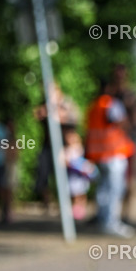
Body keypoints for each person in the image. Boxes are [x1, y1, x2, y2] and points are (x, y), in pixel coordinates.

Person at [84, 79, 135, 238]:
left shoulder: (93, 106)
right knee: (115, 189)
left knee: (103, 188)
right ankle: (112, 223)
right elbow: (121, 123)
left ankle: (102, 219)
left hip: (99, 155)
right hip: (114, 153)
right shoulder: (111, 104)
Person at [33, 81, 81, 213]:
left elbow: (75, 119)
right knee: (43, 173)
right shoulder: (46, 105)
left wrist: (60, 116)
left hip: (63, 147)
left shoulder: (67, 103)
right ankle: (47, 203)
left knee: (66, 177)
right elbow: (36, 114)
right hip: (48, 146)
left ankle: (66, 206)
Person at [110, 63, 136, 224]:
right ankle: (111, 214)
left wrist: (130, 126)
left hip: (126, 144)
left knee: (128, 181)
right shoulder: (108, 95)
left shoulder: (131, 96)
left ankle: (125, 214)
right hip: (109, 145)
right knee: (110, 181)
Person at [63, 127, 97, 222]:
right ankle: (75, 211)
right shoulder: (67, 150)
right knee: (75, 194)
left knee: (81, 193)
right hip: (73, 176)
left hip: (80, 177)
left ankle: (81, 210)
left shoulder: (80, 148)